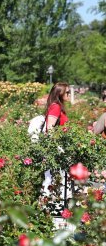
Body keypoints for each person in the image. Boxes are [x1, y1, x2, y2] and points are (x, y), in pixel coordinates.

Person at [41, 82, 72, 221]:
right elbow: (50, 129)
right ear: (59, 94)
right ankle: (46, 210)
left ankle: (51, 208)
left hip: (58, 148)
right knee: (51, 178)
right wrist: (57, 147)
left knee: (55, 178)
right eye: (67, 93)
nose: (69, 95)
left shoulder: (58, 107)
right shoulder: (56, 107)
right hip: (55, 149)